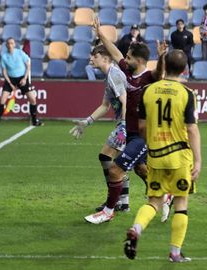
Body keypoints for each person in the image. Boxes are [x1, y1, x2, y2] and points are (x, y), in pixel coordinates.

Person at [84, 17, 168, 224]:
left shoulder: (149, 78)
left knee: (115, 169)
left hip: (143, 135)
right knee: (141, 169)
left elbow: (160, 72)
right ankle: (165, 195)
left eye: (129, 57)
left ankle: (109, 211)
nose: (125, 59)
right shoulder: (128, 71)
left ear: (139, 61)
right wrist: (100, 33)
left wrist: (162, 56)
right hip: (130, 132)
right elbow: (114, 52)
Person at [124, 50, 201, 262]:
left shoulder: (148, 91)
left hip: (156, 155)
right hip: (180, 158)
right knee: (181, 202)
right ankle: (175, 252)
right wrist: (198, 160)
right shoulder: (186, 93)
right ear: (185, 69)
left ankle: (136, 229)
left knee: (154, 202)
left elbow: (141, 127)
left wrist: (153, 144)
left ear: (164, 65)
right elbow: (192, 129)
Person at [69, 45, 128, 223]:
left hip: (128, 123)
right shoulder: (109, 75)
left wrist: (124, 126)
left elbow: (125, 100)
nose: (91, 59)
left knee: (106, 157)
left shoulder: (115, 75)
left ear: (104, 57)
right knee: (135, 166)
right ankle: (122, 201)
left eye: (94, 55)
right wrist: (86, 122)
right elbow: (105, 105)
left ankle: (117, 200)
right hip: (127, 123)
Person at [0, 37, 42, 126]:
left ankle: (35, 120)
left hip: (22, 78)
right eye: (8, 43)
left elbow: (28, 65)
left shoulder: (20, 53)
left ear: (14, 44)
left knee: (32, 99)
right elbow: (4, 72)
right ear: (6, 45)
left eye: (12, 43)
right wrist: (10, 84)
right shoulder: (4, 56)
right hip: (10, 79)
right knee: (2, 99)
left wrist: (25, 78)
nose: (10, 45)